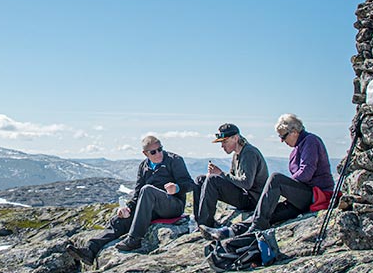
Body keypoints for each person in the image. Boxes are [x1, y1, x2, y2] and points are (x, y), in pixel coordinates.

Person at [67, 134, 194, 264]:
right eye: (153, 152)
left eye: (160, 149)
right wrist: (128, 208)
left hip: (173, 206)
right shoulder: (143, 166)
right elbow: (137, 194)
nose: (159, 153)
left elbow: (190, 184)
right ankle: (90, 250)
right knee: (120, 220)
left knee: (147, 189)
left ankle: (134, 240)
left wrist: (177, 188)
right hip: (150, 208)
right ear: (145, 153)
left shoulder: (174, 160)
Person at [205, 113, 333, 238]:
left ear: (294, 131)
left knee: (276, 178)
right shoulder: (297, 148)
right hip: (303, 198)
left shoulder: (310, 141)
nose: (282, 140)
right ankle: (230, 232)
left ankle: (254, 230)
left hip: (317, 195)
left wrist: (286, 187)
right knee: (268, 214)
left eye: (283, 136)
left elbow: (305, 174)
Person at [192, 123, 269, 228]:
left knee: (212, 180)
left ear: (236, 138)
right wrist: (217, 175)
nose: (222, 146)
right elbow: (233, 179)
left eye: (225, 141)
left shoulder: (249, 153)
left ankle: (206, 225)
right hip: (244, 195)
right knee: (200, 179)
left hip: (253, 200)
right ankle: (199, 222)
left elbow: (246, 184)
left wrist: (220, 174)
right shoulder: (236, 155)